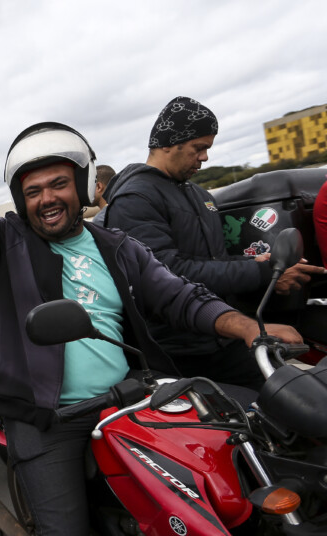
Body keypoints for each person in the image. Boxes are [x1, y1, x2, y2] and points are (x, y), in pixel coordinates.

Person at [0, 91, 301, 536]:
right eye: (34, 189)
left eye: (58, 184)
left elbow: (180, 296)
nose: (47, 198)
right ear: (20, 199)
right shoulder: (1, 244)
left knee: (242, 460)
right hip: (50, 419)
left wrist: (249, 329)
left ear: (84, 184)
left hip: (130, 398)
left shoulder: (116, 245)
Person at [101, 96, 326, 389]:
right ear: (169, 142)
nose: (205, 157)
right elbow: (166, 274)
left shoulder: (201, 196)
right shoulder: (136, 198)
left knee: (294, 397)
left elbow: (215, 261)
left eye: (207, 148)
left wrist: (265, 267)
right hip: (179, 350)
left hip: (221, 336)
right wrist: (262, 271)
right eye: (199, 148)